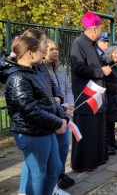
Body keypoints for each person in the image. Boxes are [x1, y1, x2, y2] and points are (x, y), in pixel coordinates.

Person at [1, 36, 68, 195]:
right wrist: (57, 122)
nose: (43, 52)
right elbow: (30, 110)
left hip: (46, 128)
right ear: (30, 53)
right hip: (31, 131)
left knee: (55, 167)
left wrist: (62, 117)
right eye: (40, 50)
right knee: (38, 173)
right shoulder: (17, 77)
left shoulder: (36, 71)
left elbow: (50, 98)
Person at [70, 11, 111, 171]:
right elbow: (79, 68)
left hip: (96, 93)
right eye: (100, 29)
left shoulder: (91, 44)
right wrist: (101, 71)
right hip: (85, 95)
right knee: (87, 130)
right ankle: (84, 163)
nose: (101, 32)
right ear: (94, 29)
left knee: (96, 129)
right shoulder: (78, 43)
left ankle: (97, 158)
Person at [44, 39, 76, 190]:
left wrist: (69, 104)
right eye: (51, 49)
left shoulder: (61, 68)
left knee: (64, 145)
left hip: (64, 113)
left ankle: (61, 173)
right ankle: (53, 176)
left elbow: (68, 89)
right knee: (53, 148)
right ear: (43, 51)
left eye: (56, 48)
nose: (55, 51)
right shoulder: (41, 69)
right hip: (51, 113)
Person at [103, 46, 117, 154]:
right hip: (109, 98)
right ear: (109, 54)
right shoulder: (108, 66)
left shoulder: (116, 66)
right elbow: (106, 84)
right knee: (108, 122)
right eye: (114, 53)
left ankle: (112, 141)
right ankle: (106, 145)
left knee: (112, 122)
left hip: (115, 98)